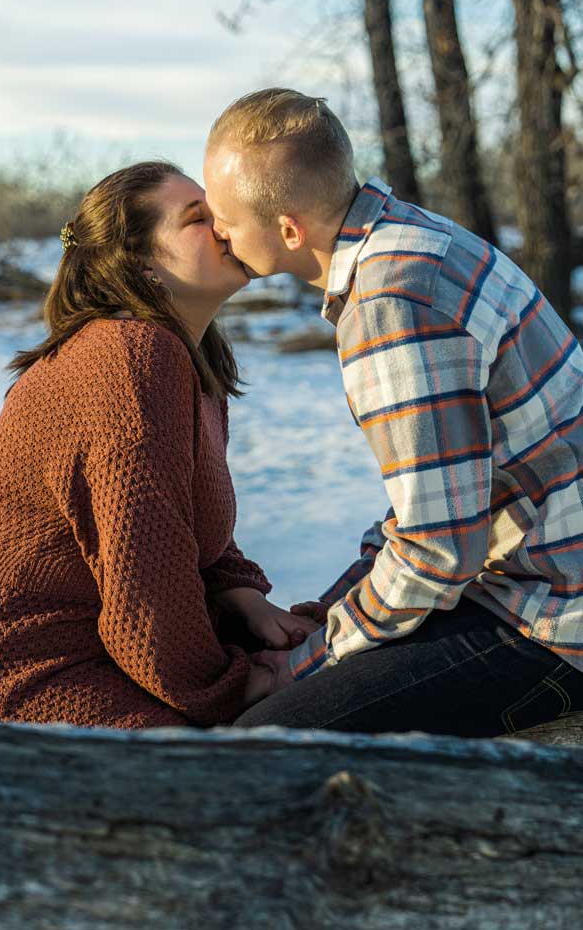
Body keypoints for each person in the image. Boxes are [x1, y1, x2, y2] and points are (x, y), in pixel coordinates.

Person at [202, 87, 583, 737]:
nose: (217, 232)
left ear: (289, 230)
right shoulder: (412, 238)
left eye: (225, 219)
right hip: (526, 572)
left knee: (261, 743)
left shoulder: (391, 302)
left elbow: (439, 550)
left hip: (551, 618)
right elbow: (439, 497)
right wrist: (336, 607)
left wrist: (306, 662)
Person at [0, 160, 317, 729]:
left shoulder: (188, 360)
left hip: (77, 644)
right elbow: (146, 576)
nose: (225, 224)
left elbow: (178, 519)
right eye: (198, 218)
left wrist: (244, 597)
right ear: (140, 263)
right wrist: (228, 689)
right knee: (223, 771)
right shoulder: (128, 359)